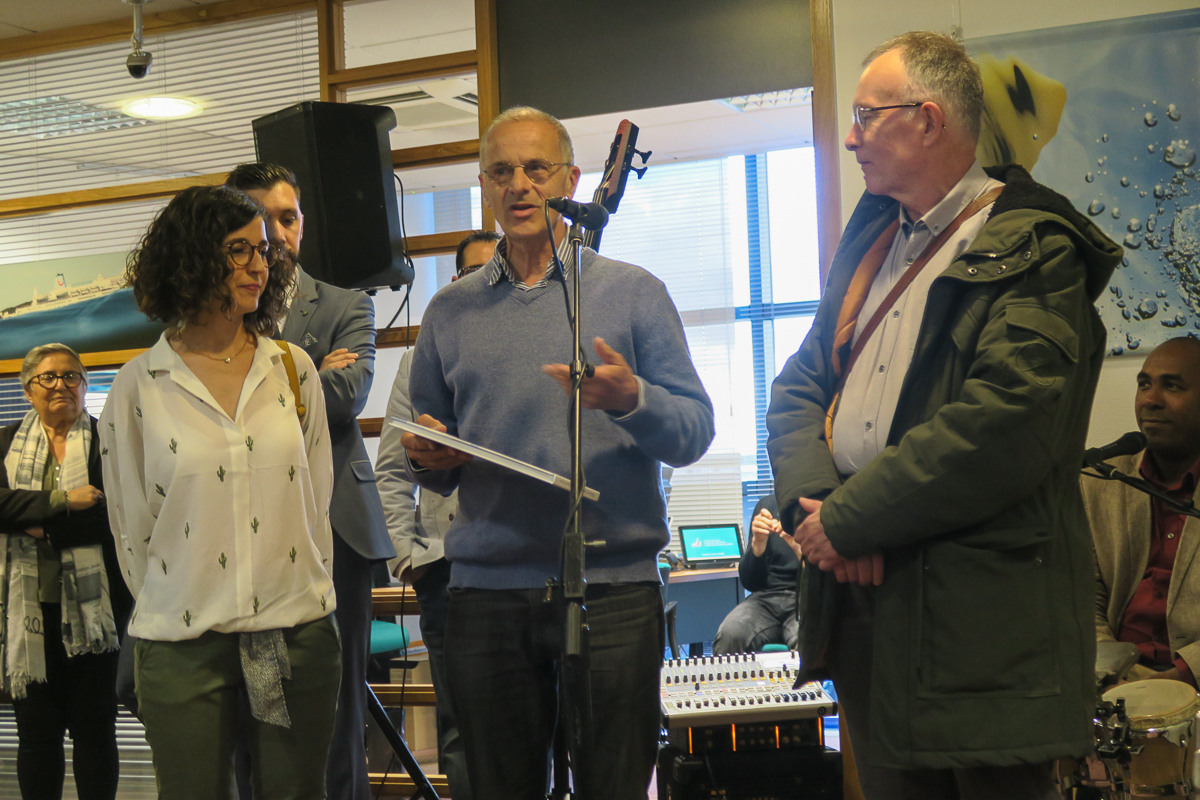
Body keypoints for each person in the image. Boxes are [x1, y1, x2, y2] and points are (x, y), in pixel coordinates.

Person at [764, 31, 1122, 800]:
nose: (851, 137)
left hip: (980, 622)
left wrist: (852, 520)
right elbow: (797, 386)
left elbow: (1004, 425)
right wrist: (815, 508)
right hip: (864, 594)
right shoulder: (869, 242)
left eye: (867, 115)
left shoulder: (1036, 247)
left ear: (927, 121)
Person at [400, 106, 714, 799]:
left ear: (570, 179)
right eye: (502, 172)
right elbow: (425, 447)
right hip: (485, 595)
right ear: (484, 185)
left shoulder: (633, 294)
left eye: (536, 169)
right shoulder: (449, 313)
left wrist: (634, 399)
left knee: (614, 785)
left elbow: (694, 429)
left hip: (612, 590)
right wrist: (428, 457)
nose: (520, 185)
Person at [100, 185, 340, 799]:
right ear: (192, 257)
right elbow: (132, 531)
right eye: (239, 251)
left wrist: (297, 594)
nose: (260, 265)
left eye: (263, 251)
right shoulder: (138, 386)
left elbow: (316, 505)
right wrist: (191, 595)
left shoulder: (292, 369)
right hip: (184, 645)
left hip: (295, 633)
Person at [225, 163, 395, 800]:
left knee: (338, 707)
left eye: (288, 217)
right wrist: (304, 373)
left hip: (333, 525)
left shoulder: (349, 305)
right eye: (260, 219)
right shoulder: (213, 320)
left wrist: (254, 386)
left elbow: (344, 400)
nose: (277, 233)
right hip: (236, 530)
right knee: (248, 708)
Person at [376, 229, 500, 800]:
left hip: (521, 566)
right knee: (459, 727)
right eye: (472, 271)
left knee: (531, 725)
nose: (484, 281)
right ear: (454, 282)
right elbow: (391, 468)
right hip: (445, 573)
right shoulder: (421, 358)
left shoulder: (528, 354)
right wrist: (409, 557)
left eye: (494, 270)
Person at [0, 343, 132, 800]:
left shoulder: (110, 441)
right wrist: (64, 501)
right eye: (48, 378)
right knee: (36, 738)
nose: (61, 385)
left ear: (85, 385)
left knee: (96, 734)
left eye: (71, 376)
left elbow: (115, 517)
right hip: (27, 617)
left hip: (99, 617)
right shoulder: (3, 442)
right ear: (28, 390)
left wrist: (44, 528)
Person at [1089, 336, 1200, 686]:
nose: (1150, 400)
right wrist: (1108, 669)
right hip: (1111, 675)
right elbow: (1080, 596)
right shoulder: (1101, 479)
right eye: (1144, 384)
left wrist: (1181, 678)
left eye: (1172, 386)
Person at [712, 494, 799, 654]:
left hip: (806, 599)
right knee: (730, 634)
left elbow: (828, 579)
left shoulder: (821, 508)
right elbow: (749, 582)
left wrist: (800, 550)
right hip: (765, 599)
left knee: (810, 640)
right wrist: (758, 544)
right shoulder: (767, 505)